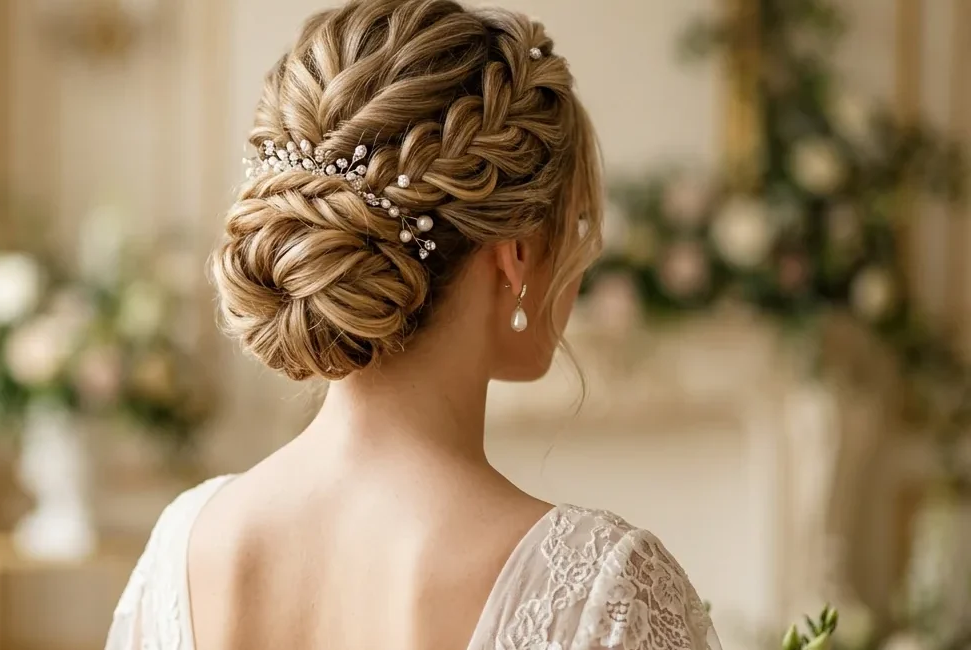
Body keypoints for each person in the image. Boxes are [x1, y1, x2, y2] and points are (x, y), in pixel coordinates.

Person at [107, 1, 721, 648]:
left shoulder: (186, 545)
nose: (584, 261)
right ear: (516, 255)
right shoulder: (603, 583)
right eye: (578, 227)